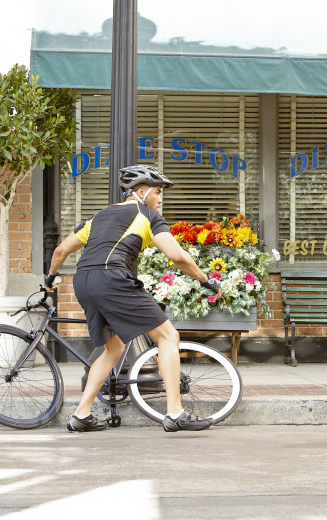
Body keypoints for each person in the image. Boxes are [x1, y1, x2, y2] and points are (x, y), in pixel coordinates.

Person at [45, 165, 221, 433]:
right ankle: (175, 413)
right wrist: (206, 280)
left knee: (112, 349)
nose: (160, 199)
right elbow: (178, 257)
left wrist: (50, 278)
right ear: (142, 191)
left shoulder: (96, 217)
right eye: (158, 192)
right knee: (168, 337)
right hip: (113, 279)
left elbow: (60, 251)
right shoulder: (147, 215)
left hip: (84, 281)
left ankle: (81, 415)